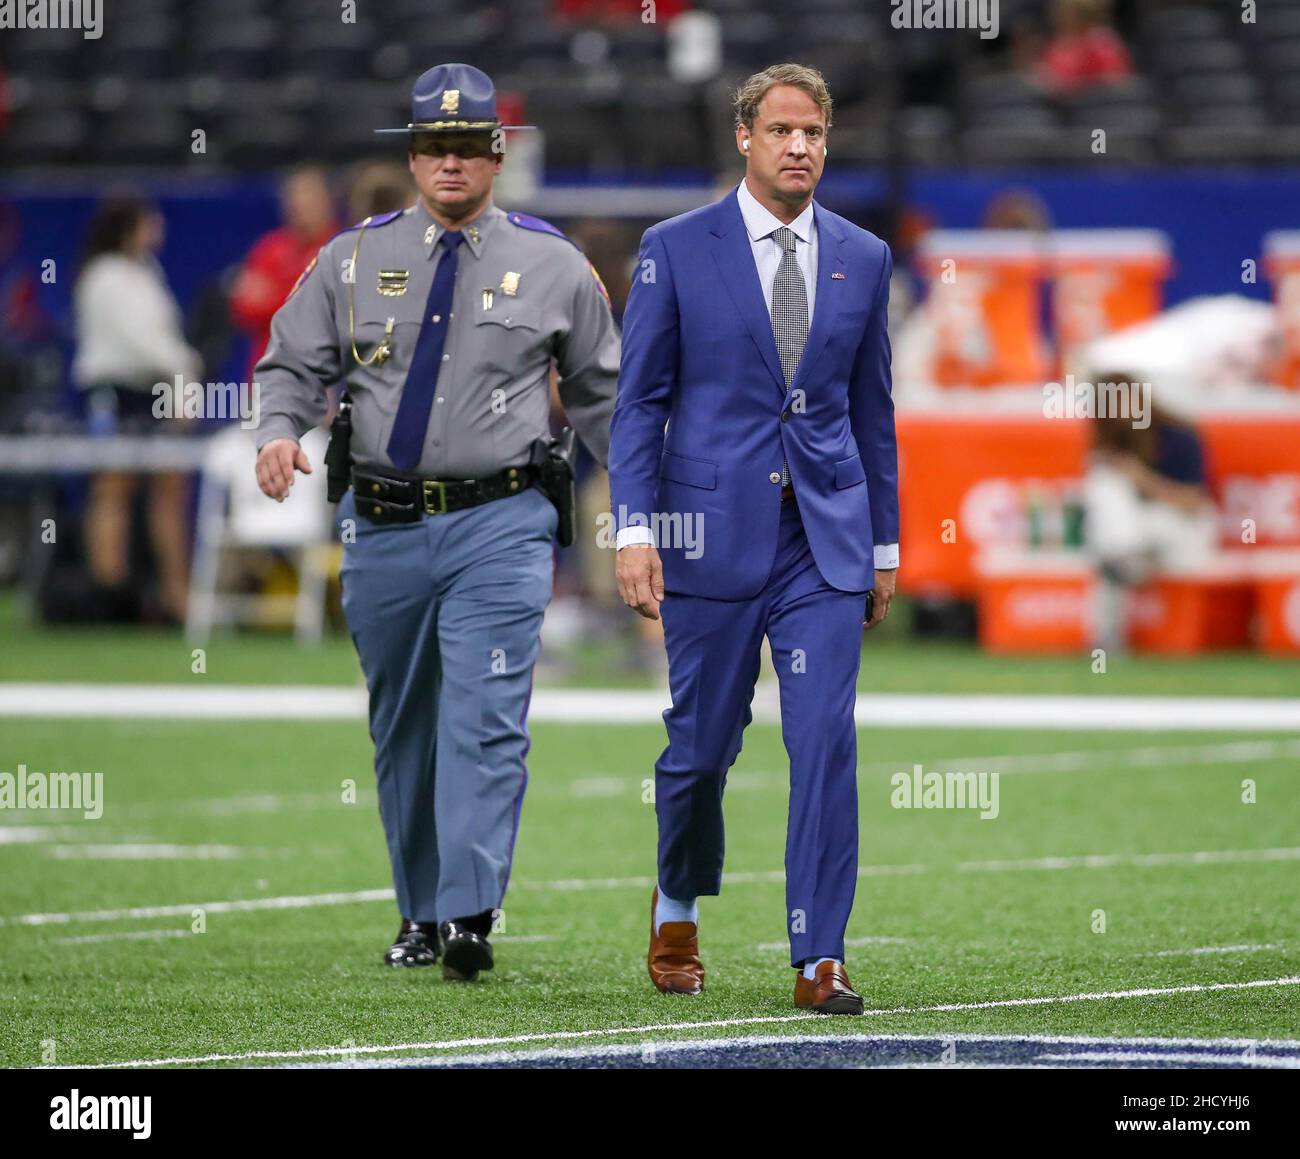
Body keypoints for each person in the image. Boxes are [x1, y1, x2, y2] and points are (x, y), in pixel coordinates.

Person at [253, 63, 619, 981]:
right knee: (403, 725)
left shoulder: (555, 264)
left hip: (501, 520)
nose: (450, 160)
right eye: (433, 145)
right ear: (412, 156)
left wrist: (657, 502)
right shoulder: (347, 258)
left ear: (497, 154)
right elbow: (290, 362)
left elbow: (607, 397)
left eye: (467, 145)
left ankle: (468, 911)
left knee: (486, 719)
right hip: (381, 523)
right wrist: (276, 431)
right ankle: (419, 908)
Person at [608, 63, 899, 1014]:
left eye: (813, 132)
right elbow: (639, 400)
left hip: (824, 542)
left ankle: (821, 954)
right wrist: (636, 527)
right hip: (706, 535)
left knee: (824, 740)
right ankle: (678, 903)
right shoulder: (674, 248)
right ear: (745, 138)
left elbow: (874, 411)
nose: (800, 147)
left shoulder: (865, 254)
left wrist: (885, 546)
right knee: (700, 750)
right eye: (781, 131)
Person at [72, 197, 203, 622]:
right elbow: (140, 344)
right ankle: (108, 594)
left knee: (170, 491)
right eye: (149, 221)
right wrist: (184, 364)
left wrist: (181, 382)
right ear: (129, 227)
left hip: (153, 393)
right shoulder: (102, 276)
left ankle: (176, 598)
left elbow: (165, 335)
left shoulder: (148, 272)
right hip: (114, 392)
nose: (157, 228)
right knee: (114, 489)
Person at [1084, 379, 1218, 651]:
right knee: (1104, 486)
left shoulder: (1177, 435)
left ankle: (1125, 555)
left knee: (1111, 551)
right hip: (1135, 537)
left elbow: (1194, 505)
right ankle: (1107, 640)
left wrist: (1143, 480)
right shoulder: (1113, 445)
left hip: (1183, 531)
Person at [229, 165, 338, 381]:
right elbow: (244, 310)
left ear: (327, 202)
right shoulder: (269, 248)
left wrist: (273, 295)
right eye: (295, 202)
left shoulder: (343, 247)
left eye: (309, 202)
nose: (301, 210)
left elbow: (333, 314)